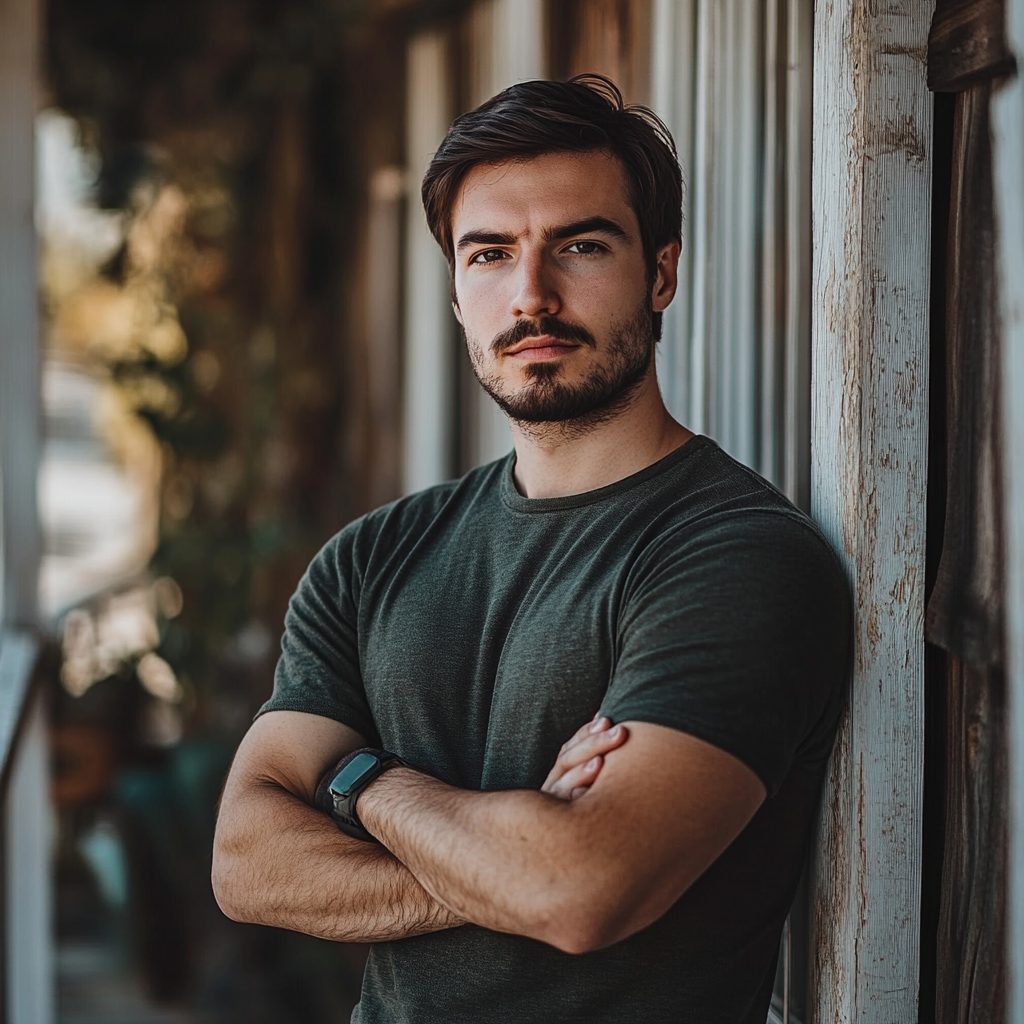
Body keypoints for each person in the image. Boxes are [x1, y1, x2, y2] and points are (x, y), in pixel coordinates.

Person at [212, 75, 850, 1024]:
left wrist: (357, 781)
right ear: (459, 293)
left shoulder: (739, 557)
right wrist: (503, 856)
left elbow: (580, 890)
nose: (532, 295)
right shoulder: (372, 558)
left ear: (662, 272)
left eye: (581, 246)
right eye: (491, 254)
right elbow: (244, 861)